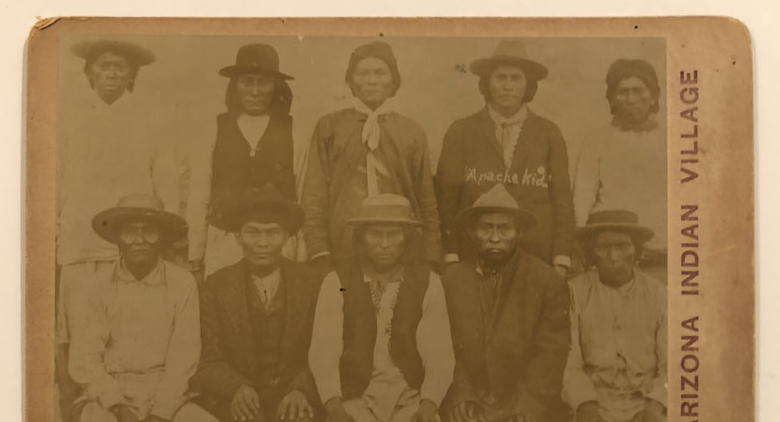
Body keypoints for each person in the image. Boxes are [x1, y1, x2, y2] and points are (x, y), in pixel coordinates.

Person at [56, 38, 181, 422]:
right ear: (90, 71)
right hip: (79, 241)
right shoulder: (69, 119)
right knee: (75, 323)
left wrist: (166, 236)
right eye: (104, 66)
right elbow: (53, 179)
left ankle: (121, 402)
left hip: (127, 243)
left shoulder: (150, 119)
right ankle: (75, 396)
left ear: (132, 75)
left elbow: (167, 181)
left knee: (125, 323)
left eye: (120, 68)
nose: (111, 74)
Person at [68, 195, 222, 422]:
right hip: (111, 395)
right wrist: (118, 408)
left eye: (149, 231)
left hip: (167, 394)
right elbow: (84, 358)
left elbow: (184, 358)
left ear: (162, 239)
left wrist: (162, 413)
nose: (139, 240)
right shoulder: (97, 286)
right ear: (118, 239)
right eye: (130, 231)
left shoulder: (182, 284)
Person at [308, 194, 454, 422]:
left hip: (409, 401)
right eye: (375, 234)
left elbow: (439, 353)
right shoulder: (337, 281)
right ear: (361, 238)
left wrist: (429, 402)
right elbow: (324, 350)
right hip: (356, 400)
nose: (384, 244)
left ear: (407, 238)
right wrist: (334, 405)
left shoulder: (427, 282)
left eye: (394, 234)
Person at [191, 185, 322, 422]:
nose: (262, 243)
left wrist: (301, 388)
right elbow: (207, 357)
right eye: (252, 232)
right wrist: (236, 387)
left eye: (273, 232)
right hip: (241, 397)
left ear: (287, 237)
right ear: (238, 236)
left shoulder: (312, 283)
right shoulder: (215, 286)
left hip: (294, 394)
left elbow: (326, 349)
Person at [441, 183, 570, 422]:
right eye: (487, 228)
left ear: (519, 232)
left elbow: (552, 351)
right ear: (472, 232)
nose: (495, 238)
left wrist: (531, 401)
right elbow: (444, 346)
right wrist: (460, 393)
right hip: (468, 401)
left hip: (521, 401)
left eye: (505, 229)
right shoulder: (452, 282)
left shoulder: (547, 282)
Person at [301, 41, 442, 274]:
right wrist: (319, 251)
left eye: (380, 73)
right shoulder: (330, 126)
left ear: (393, 81)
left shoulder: (411, 131)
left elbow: (426, 198)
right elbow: (314, 196)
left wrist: (431, 254)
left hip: (400, 246)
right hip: (342, 246)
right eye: (363, 73)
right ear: (351, 81)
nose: (372, 80)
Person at [435, 40, 574, 273]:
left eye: (516, 78)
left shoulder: (549, 133)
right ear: (487, 83)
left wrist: (561, 258)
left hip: (535, 254)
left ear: (527, 85)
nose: (507, 86)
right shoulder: (461, 131)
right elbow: (447, 200)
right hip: (475, 254)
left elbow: (562, 201)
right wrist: (451, 254)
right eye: (500, 77)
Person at [186, 43, 300, 283]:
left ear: (277, 87)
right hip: (224, 242)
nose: (255, 91)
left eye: (264, 82)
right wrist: (195, 255)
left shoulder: (294, 131)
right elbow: (199, 197)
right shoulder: (214, 128)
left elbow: (302, 196)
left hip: (277, 244)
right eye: (247, 82)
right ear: (235, 86)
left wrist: (301, 254)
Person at [563, 209, 667, 422]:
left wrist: (657, 402)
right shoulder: (574, 293)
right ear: (591, 252)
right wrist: (584, 401)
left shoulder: (658, 294)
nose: (613, 256)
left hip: (644, 404)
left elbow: (673, 360)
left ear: (637, 250)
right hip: (593, 405)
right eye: (604, 247)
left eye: (622, 246)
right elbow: (568, 358)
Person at [572, 59, 667, 277]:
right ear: (612, 98)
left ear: (652, 96)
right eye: (623, 92)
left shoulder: (671, 139)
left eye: (638, 91)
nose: (631, 99)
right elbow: (581, 200)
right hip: (611, 254)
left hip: (660, 253)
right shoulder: (596, 140)